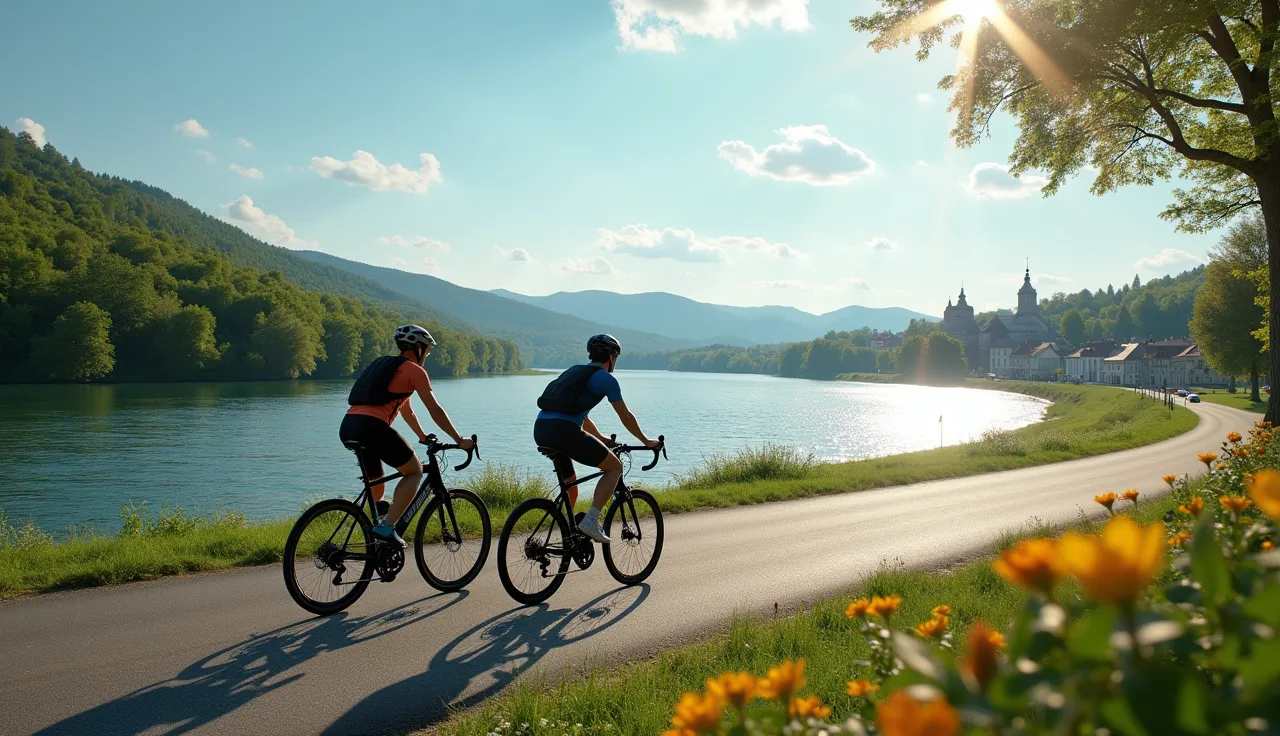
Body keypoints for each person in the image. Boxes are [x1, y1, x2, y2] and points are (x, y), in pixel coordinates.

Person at [340, 324, 475, 547]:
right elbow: (435, 409)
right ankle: (386, 528)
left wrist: (421, 435)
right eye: (428, 350)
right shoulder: (415, 371)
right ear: (419, 348)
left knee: (377, 485)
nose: (428, 355)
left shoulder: (387, 368)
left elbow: (407, 410)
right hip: (372, 427)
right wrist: (459, 440)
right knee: (414, 471)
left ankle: (371, 534)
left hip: (349, 426)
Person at [533, 334, 660, 543]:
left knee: (570, 484)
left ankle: (566, 534)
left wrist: (601, 438)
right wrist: (646, 441)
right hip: (564, 432)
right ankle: (591, 520)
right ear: (611, 357)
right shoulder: (606, 379)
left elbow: (580, 416)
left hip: (542, 429)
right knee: (614, 467)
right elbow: (626, 416)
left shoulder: (575, 371)